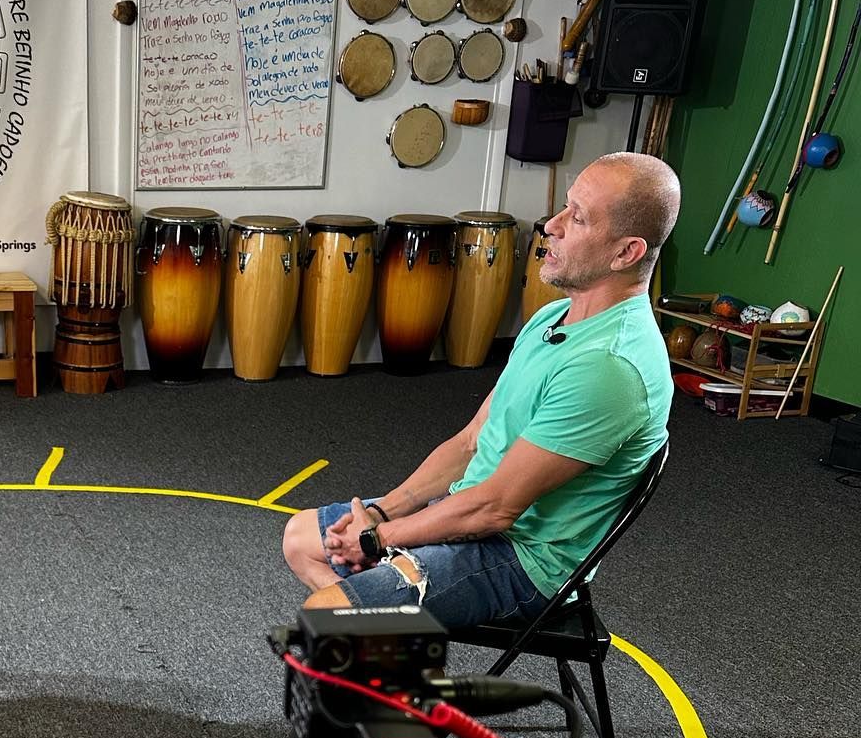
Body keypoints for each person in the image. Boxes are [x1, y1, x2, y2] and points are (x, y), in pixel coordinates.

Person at [282, 152, 679, 628]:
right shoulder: (555, 318)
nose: (550, 225)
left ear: (625, 253)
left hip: (521, 559)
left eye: (577, 218)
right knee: (300, 538)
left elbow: (496, 509)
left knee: (328, 620)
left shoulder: (609, 368)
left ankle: (378, 635)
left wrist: (377, 540)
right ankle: (391, 639)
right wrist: (383, 510)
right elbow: (473, 441)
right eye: (564, 208)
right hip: (472, 511)